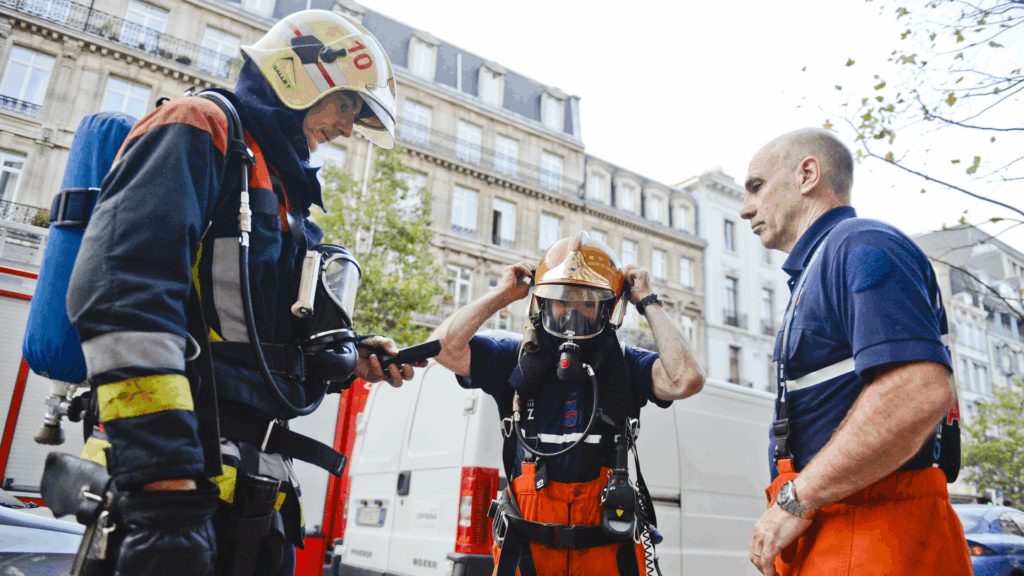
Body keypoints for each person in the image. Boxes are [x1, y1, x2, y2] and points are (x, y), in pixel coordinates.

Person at [65, 10, 422, 576]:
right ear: (302, 76)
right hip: (176, 491)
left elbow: (253, 344)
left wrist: (348, 355)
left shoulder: (281, 187)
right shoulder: (198, 125)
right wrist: (165, 486)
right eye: (347, 105)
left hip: (252, 497)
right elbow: (122, 298)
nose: (349, 127)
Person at [740, 128, 970, 576]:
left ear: (808, 174)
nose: (747, 207)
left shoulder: (860, 245)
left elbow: (917, 391)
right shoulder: (833, 258)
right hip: (843, 523)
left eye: (756, 186)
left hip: (872, 530)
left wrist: (794, 500)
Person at [429, 231, 705, 576]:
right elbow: (443, 347)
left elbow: (687, 379)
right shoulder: (513, 359)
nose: (573, 313)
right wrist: (503, 294)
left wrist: (647, 300)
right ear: (542, 302)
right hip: (528, 555)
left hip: (606, 553)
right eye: (563, 299)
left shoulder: (625, 365)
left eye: (587, 302)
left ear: (608, 308)